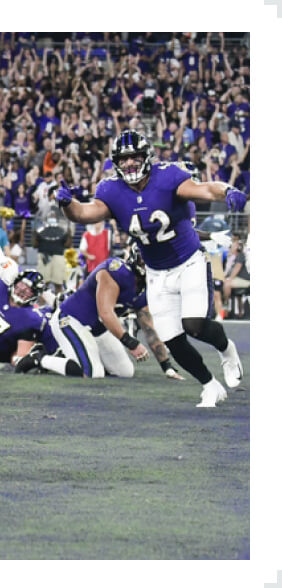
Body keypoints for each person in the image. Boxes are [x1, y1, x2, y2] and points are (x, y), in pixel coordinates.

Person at [57, 130, 246, 407]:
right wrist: (66, 204)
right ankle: (210, 385)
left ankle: (227, 350)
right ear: (116, 163)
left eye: (135, 157)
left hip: (189, 261)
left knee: (194, 325)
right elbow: (83, 213)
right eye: (124, 159)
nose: (130, 164)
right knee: (172, 340)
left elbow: (203, 188)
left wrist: (226, 191)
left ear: (147, 157)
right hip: (156, 273)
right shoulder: (110, 190)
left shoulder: (167, 176)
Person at [22, 244, 183, 381]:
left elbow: (149, 330)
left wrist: (166, 366)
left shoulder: (146, 289)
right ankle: (40, 358)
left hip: (99, 328)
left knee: (125, 372)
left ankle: (75, 356)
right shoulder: (116, 270)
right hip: (71, 320)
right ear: (136, 257)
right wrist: (131, 343)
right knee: (92, 373)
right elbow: (105, 313)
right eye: (145, 258)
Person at [33, 212, 73, 295]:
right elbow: (34, 245)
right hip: (44, 256)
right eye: (50, 216)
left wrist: (70, 234)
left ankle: (58, 305)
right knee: (43, 284)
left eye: (53, 216)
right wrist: (34, 234)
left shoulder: (62, 230)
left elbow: (67, 245)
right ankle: (42, 307)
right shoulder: (41, 230)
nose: (52, 217)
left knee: (58, 284)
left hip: (58, 256)